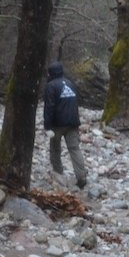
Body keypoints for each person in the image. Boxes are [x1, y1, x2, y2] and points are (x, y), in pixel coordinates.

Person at [42, 61, 88, 189]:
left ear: (51, 73)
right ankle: (81, 176)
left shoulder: (51, 86)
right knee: (74, 149)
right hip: (73, 122)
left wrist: (47, 126)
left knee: (55, 148)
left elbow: (49, 107)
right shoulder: (70, 83)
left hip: (57, 124)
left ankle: (59, 174)